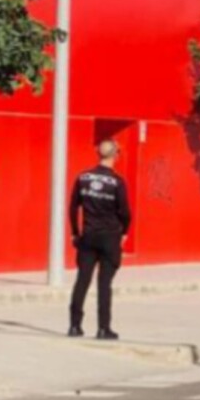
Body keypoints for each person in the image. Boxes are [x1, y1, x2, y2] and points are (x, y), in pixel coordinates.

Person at [68, 139, 132, 340]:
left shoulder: (83, 177)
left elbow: (72, 207)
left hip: (88, 237)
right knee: (104, 284)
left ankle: (74, 325)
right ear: (116, 155)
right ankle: (104, 328)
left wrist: (75, 232)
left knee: (82, 281)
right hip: (110, 238)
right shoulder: (117, 182)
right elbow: (125, 212)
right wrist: (124, 232)